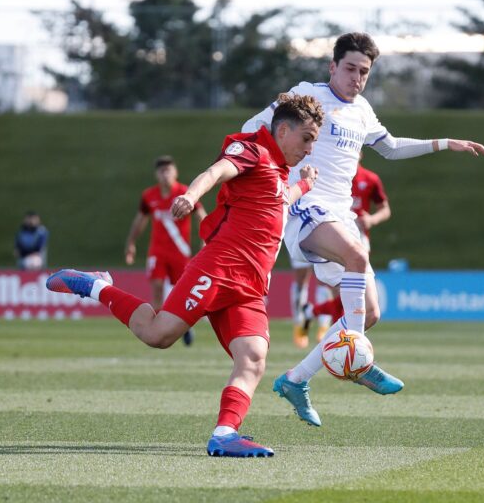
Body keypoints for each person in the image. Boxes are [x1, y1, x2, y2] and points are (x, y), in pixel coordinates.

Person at [46, 93, 323, 457]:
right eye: (306, 139)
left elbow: (278, 200)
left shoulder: (275, 170)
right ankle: (96, 286)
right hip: (220, 268)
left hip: (251, 286)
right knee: (158, 335)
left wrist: (304, 185)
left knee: (254, 357)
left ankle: (225, 434)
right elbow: (217, 170)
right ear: (283, 130)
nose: (309, 148)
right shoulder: (253, 150)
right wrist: (191, 196)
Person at [243, 32, 484, 427]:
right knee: (359, 256)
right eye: (350, 68)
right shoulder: (308, 95)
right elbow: (254, 126)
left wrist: (445, 143)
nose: (357, 77)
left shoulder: (362, 110)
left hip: (339, 215)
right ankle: (359, 360)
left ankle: (295, 379)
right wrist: (244, 166)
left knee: (369, 312)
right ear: (332, 67)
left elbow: (390, 147)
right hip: (303, 205)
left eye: (364, 71)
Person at [124, 156, 207, 346]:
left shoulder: (185, 193)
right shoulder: (149, 196)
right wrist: (131, 242)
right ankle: (156, 331)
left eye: (169, 170)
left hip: (180, 252)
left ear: (175, 172)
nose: (165, 175)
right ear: (156, 175)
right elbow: (140, 220)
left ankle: (184, 326)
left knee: (183, 293)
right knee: (157, 291)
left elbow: (201, 214)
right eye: (162, 171)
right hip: (157, 252)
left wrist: (205, 239)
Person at [303, 158, 392, 330]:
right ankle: (337, 344)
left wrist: (372, 220)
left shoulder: (370, 179)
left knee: (352, 298)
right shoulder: (331, 175)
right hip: (332, 235)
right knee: (343, 294)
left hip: (359, 239)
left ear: (360, 153)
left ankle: (315, 316)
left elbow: (385, 209)